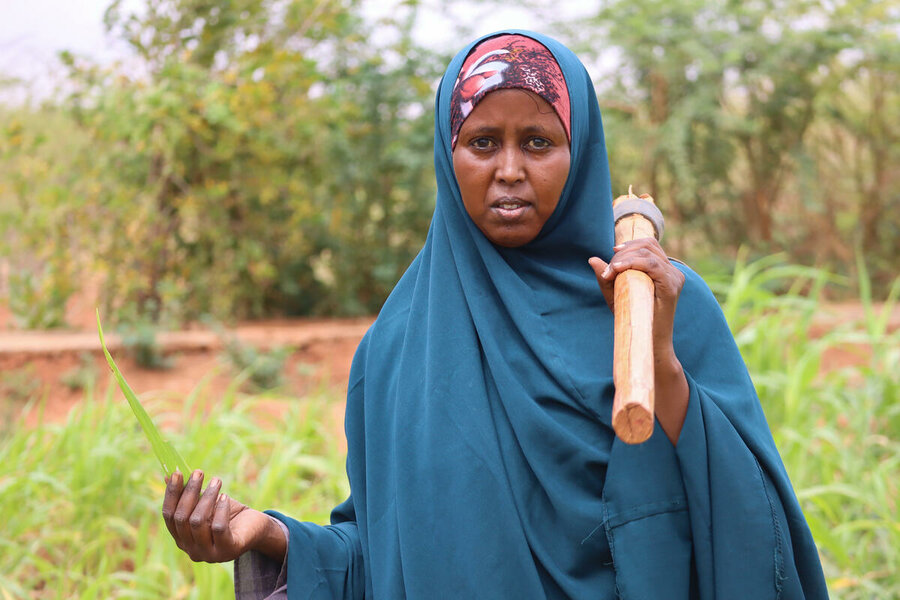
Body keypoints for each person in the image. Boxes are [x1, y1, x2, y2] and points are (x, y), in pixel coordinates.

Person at [161, 31, 829, 599]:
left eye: (538, 142)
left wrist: (661, 367)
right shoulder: (396, 350)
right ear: (448, 159)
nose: (510, 170)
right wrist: (269, 535)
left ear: (581, 152)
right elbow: (386, 554)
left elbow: (753, 522)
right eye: (483, 143)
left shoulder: (659, 308)